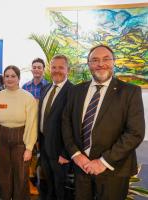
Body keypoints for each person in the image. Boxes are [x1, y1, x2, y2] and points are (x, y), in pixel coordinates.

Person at [62, 45, 145, 200]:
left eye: (106, 59)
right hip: (82, 168)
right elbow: (66, 124)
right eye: (95, 60)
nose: (100, 64)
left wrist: (102, 162)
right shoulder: (75, 91)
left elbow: (135, 132)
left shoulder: (130, 92)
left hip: (113, 170)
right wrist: (76, 154)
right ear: (89, 64)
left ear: (114, 62)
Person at [0, 65, 38, 200]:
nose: (10, 79)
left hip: (21, 140)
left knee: (21, 175)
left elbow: (32, 125)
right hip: (2, 140)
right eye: (7, 76)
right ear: (3, 78)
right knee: (4, 174)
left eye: (13, 76)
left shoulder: (28, 98)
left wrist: (29, 148)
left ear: (18, 78)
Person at [38, 55, 73, 200]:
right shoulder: (45, 88)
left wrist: (66, 152)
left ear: (68, 70)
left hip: (60, 150)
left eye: (61, 67)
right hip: (44, 146)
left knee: (60, 187)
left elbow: (74, 125)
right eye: (53, 67)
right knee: (49, 183)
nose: (56, 70)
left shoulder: (73, 91)